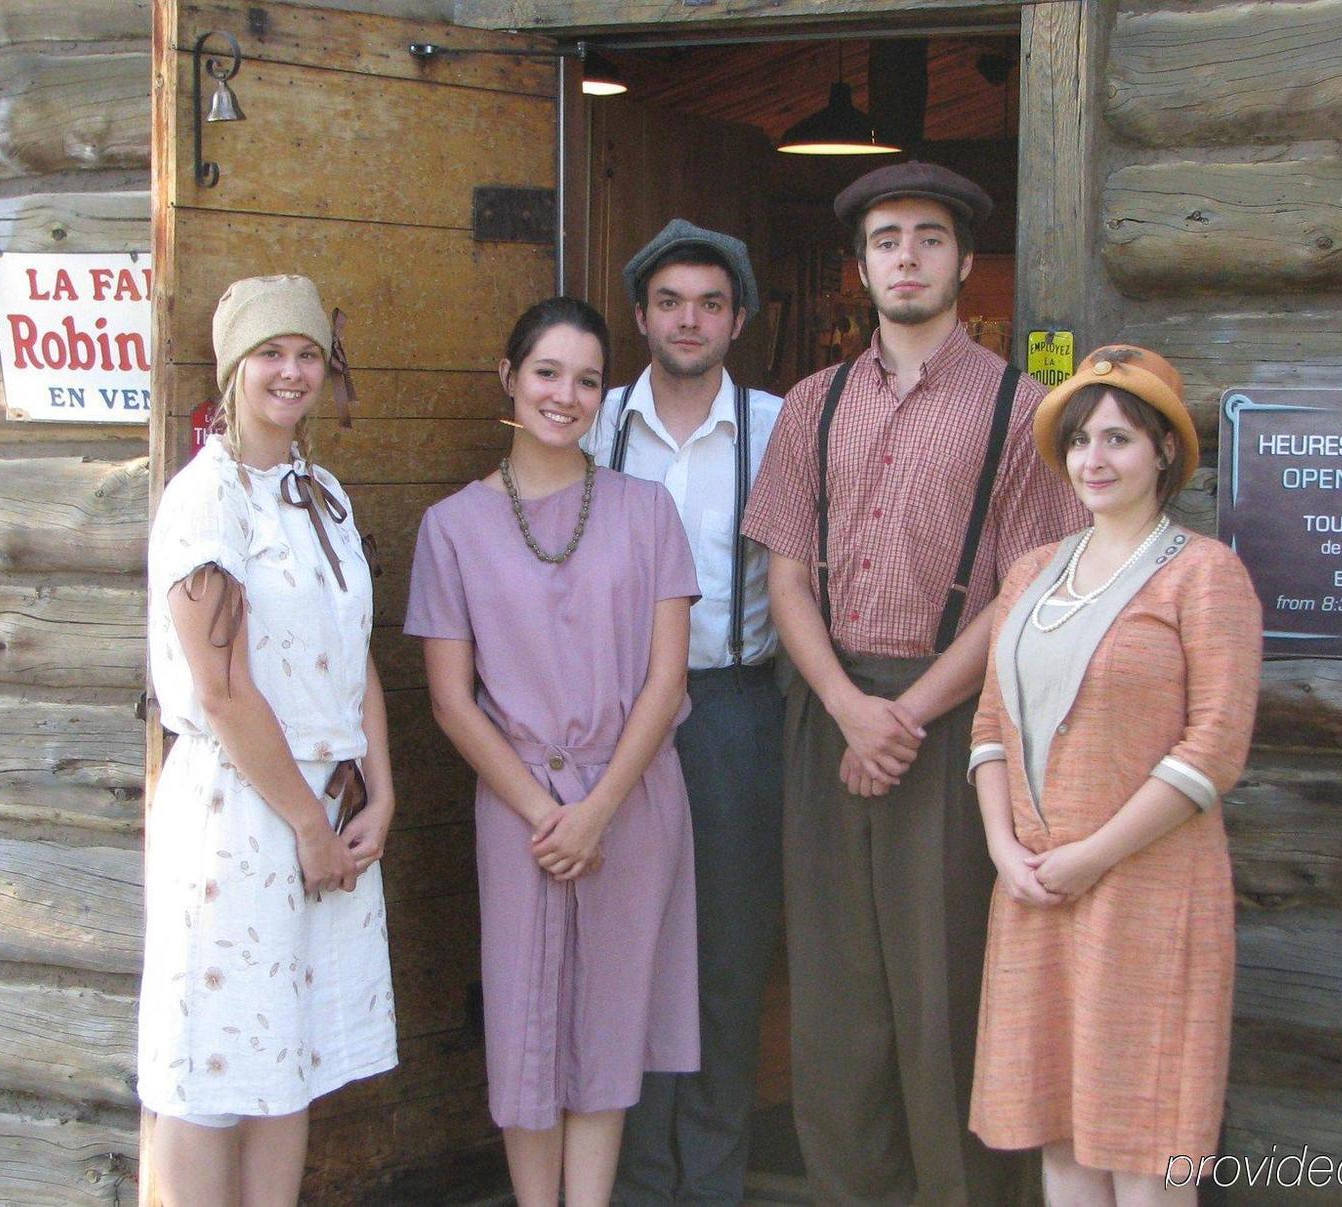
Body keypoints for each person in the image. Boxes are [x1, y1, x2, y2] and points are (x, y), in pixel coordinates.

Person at [739, 161, 1087, 1204]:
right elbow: (786, 572)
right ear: (859, 266)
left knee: (945, 989)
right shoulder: (812, 402)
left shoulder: (1022, 409)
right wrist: (848, 708)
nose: (905, 255)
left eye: (927, 238)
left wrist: (906, 713)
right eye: (886, 238)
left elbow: (1024, 591)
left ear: (963, 262)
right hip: (827, 707)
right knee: (835, 991)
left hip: (954, 720)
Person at [405, 297, 701, 1207]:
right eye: (546, 372)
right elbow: (454, 701)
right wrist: (545, 813)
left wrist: (601, 807)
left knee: (610, 1028)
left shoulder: (647, 511)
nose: (564, 395)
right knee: (526, 1027)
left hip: (633, 796)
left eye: (585, 379)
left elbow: (665, 681)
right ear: (509, 377)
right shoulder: (450, 526)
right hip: (521, 804)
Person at [967, 345, 1262, 1206]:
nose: (1094, 459)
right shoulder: (1031, 571)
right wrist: (1002, 847)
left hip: (1147, 890)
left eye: (1120, 439)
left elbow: (1215, 746)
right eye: (1082, 440)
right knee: (1060, 1132)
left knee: (1144, 1139)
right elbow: (992, 723)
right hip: (1033, 892)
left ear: (1164, 451)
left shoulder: (1204, 574)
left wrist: (1092, 854)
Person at [139, 274, 398, 1206]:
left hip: (324, 805)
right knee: (214, 1065)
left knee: (289, 1055)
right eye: (270, 355)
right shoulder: (208, 502)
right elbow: (222, 688)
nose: (292, 373)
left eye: (307, 354)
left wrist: (380, 788)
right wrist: (307, 825)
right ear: (234, 368)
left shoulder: (320, 494)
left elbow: (351, 649)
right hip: (239, 815)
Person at [583, 220, 787, 1206]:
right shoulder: (594, 418)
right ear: (639, 316)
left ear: (738, 318)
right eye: (669, 302)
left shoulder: (779, 423)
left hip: (730, 712)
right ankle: (636, 1178)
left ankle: (710, 1180)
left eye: (710, 302)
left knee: (727, 953)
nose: (688, 319)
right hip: (609, 715)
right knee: (626, 947)